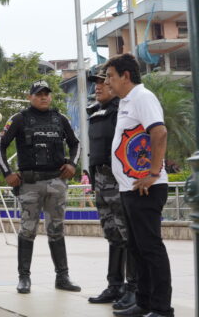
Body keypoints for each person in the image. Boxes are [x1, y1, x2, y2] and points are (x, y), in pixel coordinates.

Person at [104, 54, 173, 317]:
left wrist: (153, 172)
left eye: (111, 76)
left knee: (151, 248)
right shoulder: (125, 102)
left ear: (126, 76)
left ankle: (162, 308)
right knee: (137, 248)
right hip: (130, 188)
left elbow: (160, 132)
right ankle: (144, 302)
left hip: (146, 187)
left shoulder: (142, 97)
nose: (108, 82)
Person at [0, 80, 81, 294]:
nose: (44, 97)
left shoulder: (60, 119)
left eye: (46, 93)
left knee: (56, 229)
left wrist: (72, 164)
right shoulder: (19, 119)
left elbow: (75, 143)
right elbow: (0, 145)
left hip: (56, 182)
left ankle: (63, 276)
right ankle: (24, 278)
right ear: (30, 97)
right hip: (30, 184)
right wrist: (7, 173)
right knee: (27, 230)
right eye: (38, 94)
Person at [86, 66, 138, 308]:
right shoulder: (97, 112)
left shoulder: (122, 111)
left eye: (103, 81)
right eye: (95, 82)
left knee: (128, 236)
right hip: (100, 180)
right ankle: (114, 285)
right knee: (112, 235)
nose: (98, 86)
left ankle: (134, 288)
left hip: (118, 180)